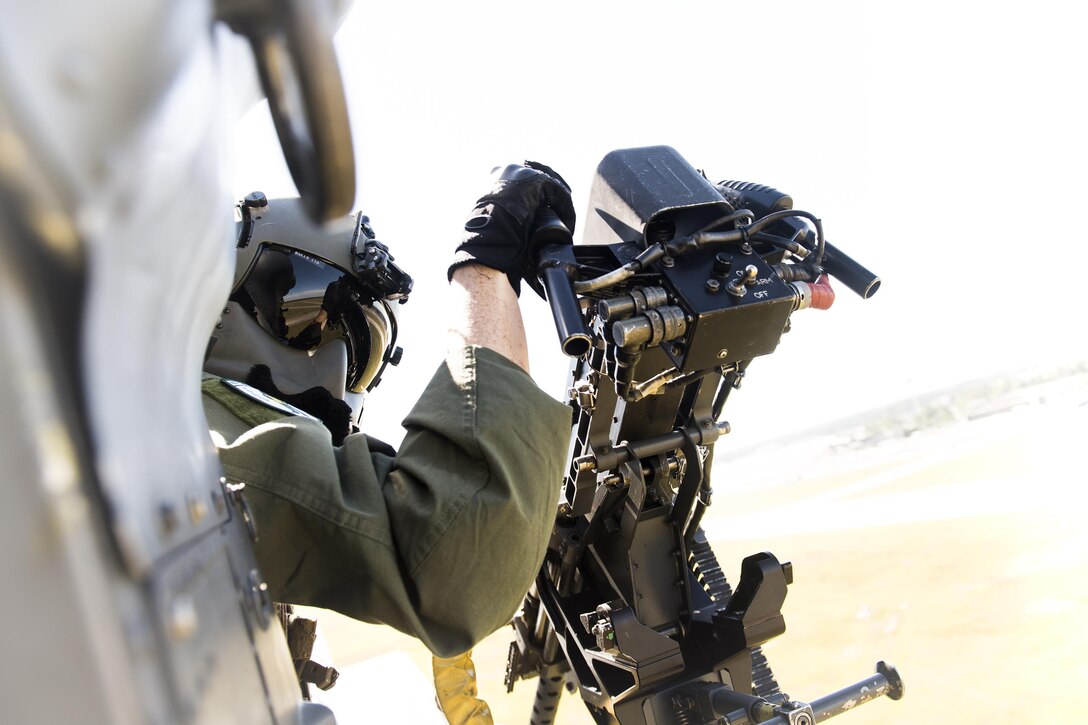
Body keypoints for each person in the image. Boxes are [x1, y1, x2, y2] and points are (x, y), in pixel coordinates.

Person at [201, 163, 575, 680]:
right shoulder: (201, 435)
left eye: (362, 350)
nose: (333, 370)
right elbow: (453, 553)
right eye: (303, 319)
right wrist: (483, 272)